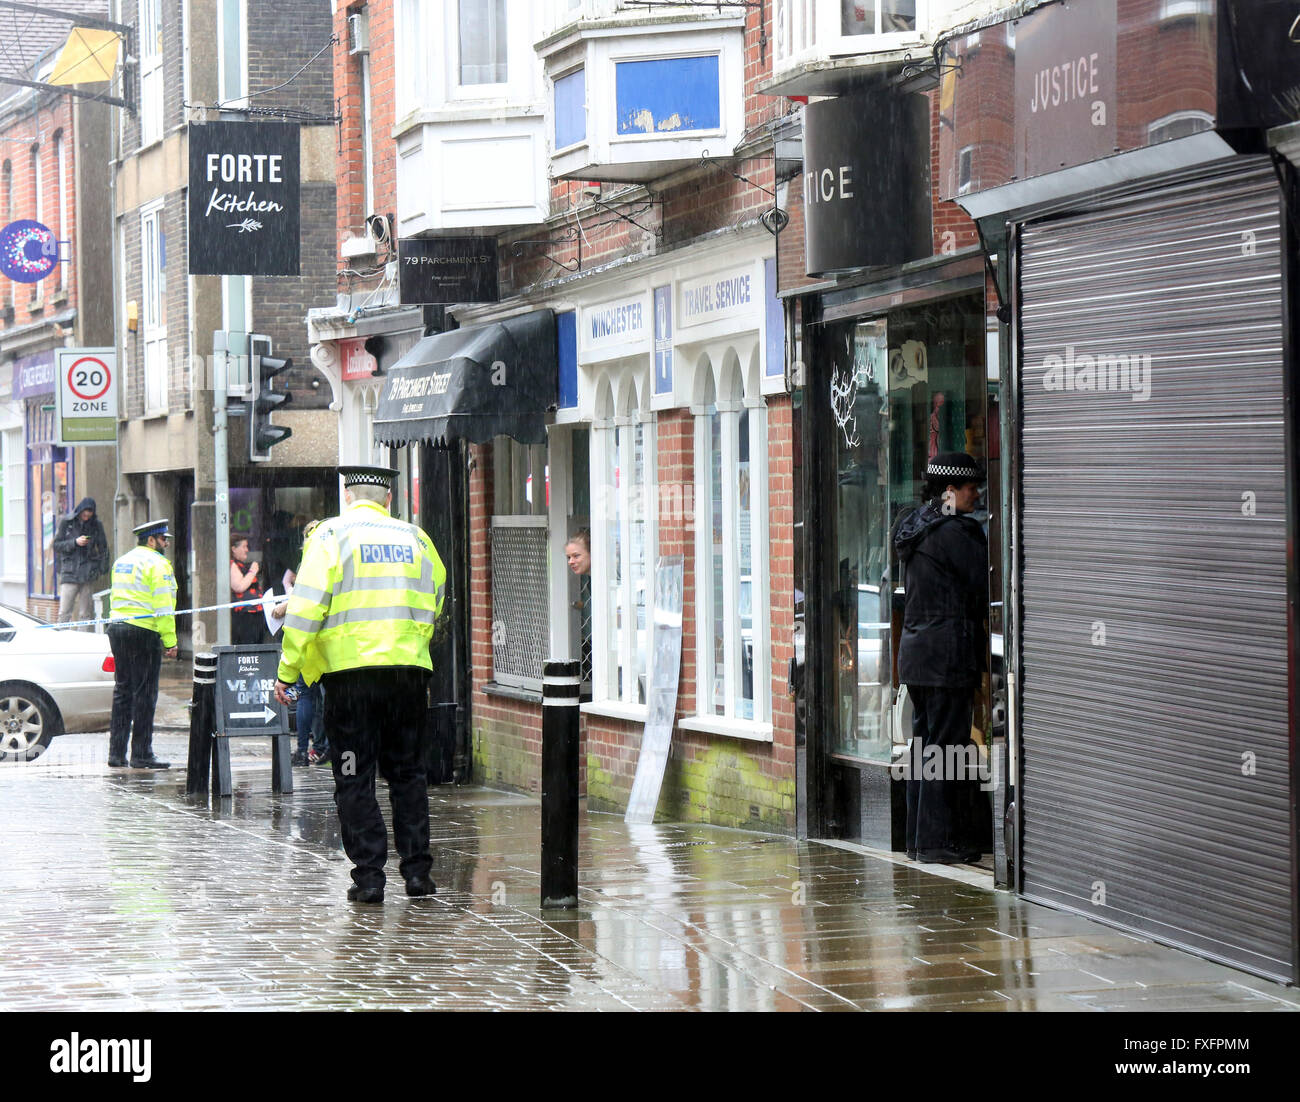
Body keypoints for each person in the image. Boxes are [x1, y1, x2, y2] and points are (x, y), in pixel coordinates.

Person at [274, 466, 447, 903]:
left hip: (350, 681)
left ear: (348, 497)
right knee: (408, 775)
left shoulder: (330, 537)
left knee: (354, 775)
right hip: (408, 674)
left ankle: (370, 877)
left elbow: (306, 609)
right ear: (388, 500)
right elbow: (438, 598)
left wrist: (288, 672)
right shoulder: (418, 539)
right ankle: (418, 875)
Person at [894, 452, 989, 864]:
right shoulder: (958, 534)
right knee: (945, 749)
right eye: (972, 488)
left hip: (916, 655)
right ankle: (938, 843)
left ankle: (918, 840)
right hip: (948, 655)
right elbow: (980, 588)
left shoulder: (911, 527)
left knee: (924, 746)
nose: (978, 494)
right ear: (951, 491)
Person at [106, 519, 178, 769]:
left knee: (122, 691)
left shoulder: (122, 561)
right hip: (143, 631)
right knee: (145, 693)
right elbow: (163, 604)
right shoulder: (158, 564)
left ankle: (116, 754)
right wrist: (170, 640)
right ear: (151, 540)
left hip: (117, 628)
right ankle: (141, 754)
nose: (166, 543)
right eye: (163, 539)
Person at [284, 520, 328, 768]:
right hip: (330, 643)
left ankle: (302, 751)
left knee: (305, 695)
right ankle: (322, 748)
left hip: (309, 641)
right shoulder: (333, 559)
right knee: (324, 697)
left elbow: (303, 605)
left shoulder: (307, 564)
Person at [53, 497, 109, 629]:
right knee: (64, 612)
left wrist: (101, 568)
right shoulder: (66, 522)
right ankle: (61, 640)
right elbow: (56, 545)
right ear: (80, 510)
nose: (87, 515)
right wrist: (74, 542)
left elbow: (103, 548)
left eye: (90, 512)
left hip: (88, 573)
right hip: (69, 573)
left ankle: (82, 641)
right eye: (85, 512)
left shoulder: (96, 525)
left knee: (85, 614)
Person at [230, 535, 268, 646]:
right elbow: (239, 587)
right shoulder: (232, 564)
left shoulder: (242, 564)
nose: (247, 550)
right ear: (234, 549)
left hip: (255, 613)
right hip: (246, 615)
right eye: (244, 546)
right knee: (249, 647)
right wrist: (252, 571)